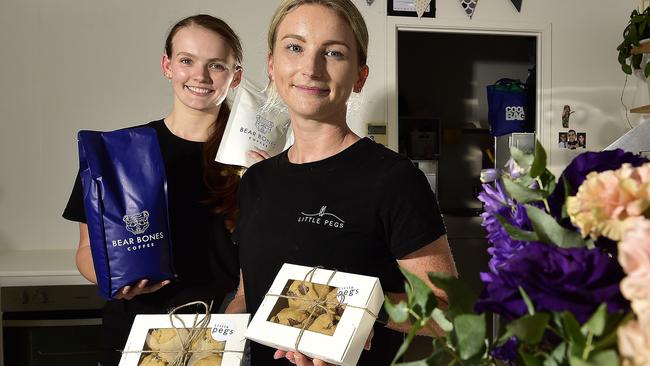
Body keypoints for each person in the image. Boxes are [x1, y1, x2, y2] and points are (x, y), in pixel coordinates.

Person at [226, 1, 457, 365]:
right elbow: (247, 289)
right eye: (295, 47)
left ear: (360, 75)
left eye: (333, 53)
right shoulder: (256, 180)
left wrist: (351, 309)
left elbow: (446, 312)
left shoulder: (394, 179)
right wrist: (211, 336)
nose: (311, 68)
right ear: (272, 65)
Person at [62, 15, 243, 366]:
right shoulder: (118, 153)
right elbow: (86, 249)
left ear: (235, 75)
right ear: (167, 66)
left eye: (216, 65)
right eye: (186, 60)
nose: (200, 76)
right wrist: (113, 278)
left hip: (223, 334)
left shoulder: (252, 159)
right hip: (134, 332)